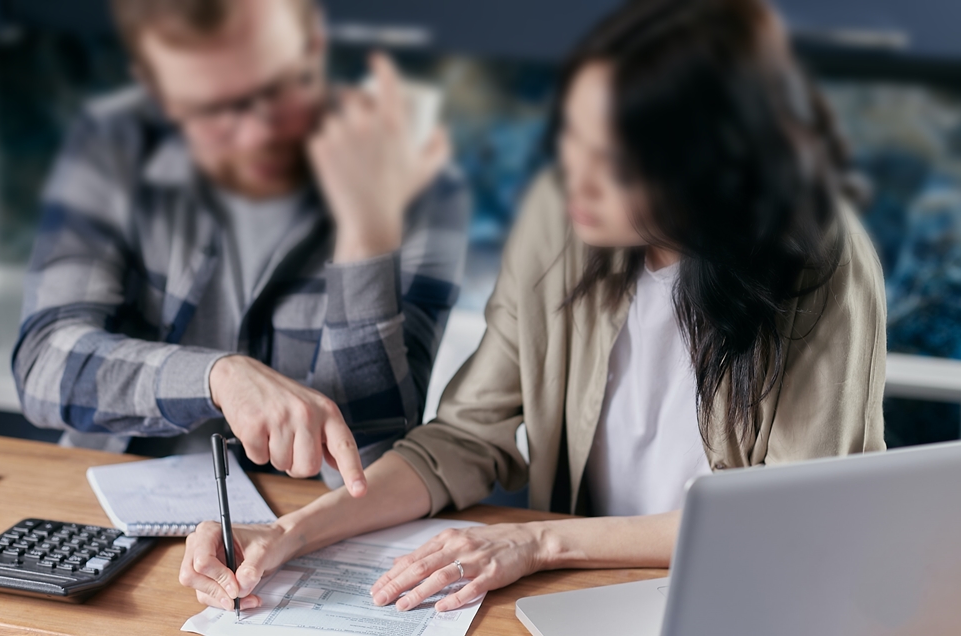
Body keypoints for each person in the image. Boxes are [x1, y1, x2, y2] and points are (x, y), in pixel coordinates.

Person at [178, 0, 887, 614]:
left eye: (608, 159)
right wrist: (291, 533)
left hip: (744, 595)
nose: (571, 174)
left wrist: (539, 539)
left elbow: (787, 518)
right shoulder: (562, 218)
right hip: (578, 591)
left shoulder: (822, 260)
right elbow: (462, 439)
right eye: (569, 136)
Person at [11, 0, 471, 493]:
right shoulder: (112, 143)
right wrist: (218, 378)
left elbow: (370, 461)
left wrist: (365, 235)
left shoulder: (422, 182)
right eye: (212, 109)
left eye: (276, 89)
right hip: (114, 498)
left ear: (314, 49)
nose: (256, 135)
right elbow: (43, 364)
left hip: (309, 522)